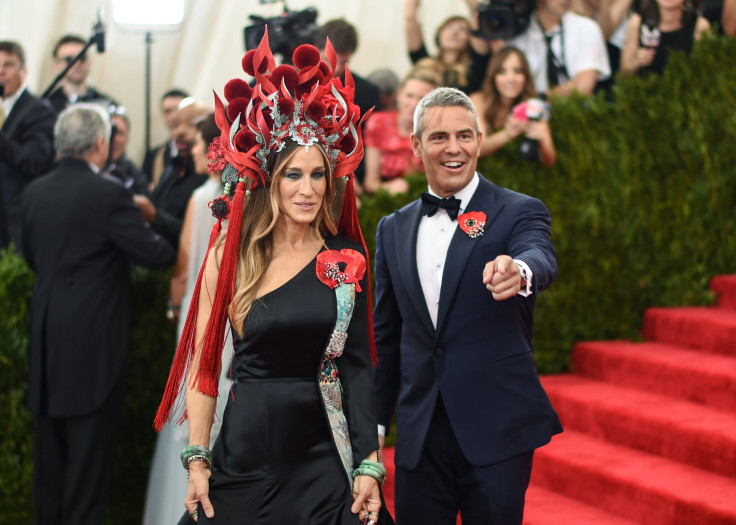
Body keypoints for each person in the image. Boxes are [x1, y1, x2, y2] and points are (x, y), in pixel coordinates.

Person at [153, 32, 393, 525]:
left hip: (325, 454)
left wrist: (370, 460)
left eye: (318, 175)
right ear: (269, 178)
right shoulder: (231, 255)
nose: (307, 190)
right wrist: (197, 458)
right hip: (245, 455)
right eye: (293, 174)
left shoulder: (346, 258)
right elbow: (203, 365)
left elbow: (357, 368)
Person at [372, 87, 562, 524]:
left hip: (497, 429)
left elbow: (539, 255)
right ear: (416, 146)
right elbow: (387, 336)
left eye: (464, 135)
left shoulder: (519, 211)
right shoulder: (392, 229)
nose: (453, 148)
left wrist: (520, 271)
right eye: (438, 137)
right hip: (420, 438)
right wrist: (375, 430)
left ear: (479, 139)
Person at [20, 103, 175, 525]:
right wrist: (155, 216)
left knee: (48, 468)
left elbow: (32, 258)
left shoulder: (33, 193)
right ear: (101, 144)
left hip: (48, 339)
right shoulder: (109, 194)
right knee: (88, 470)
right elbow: (157, 254)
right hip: (94, 346)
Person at [143, 113, 233, 525]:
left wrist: (172, 308)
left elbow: (182, 271)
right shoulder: (246, 197)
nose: (194, 150)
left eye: (201, 144)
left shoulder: (203, 199)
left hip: (200, 317)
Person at [0, 40, 56, 250]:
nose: (1, 71)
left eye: (8, 65)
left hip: (16, 221)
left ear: (24, 71)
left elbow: (35, 161)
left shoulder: (38, 110)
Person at [313, 19, 381, 189]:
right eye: (330, 60)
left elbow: (369, 142)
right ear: (316, 50)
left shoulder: (366, 91)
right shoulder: (297, 84)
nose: (336, 70)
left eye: (343, 63)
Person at [134, 98, 209, 250]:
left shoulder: (208, 177)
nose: (180, 131)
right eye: (176, 125)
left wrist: (154, 215)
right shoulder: (171, 169)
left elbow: (196, 234)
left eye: (191, 124)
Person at [470, 46, 556, 166]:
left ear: (525, 76)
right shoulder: (478, 100)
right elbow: (476, 150)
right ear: (493, 76)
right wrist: (507, 134)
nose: (511, 78)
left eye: (517, 71)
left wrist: (543, 140)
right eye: (502, 72)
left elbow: (550, 162)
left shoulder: (534, 104)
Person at [363, 66, 441, 195]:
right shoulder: (378, 123)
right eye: (409, 95)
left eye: (422, 99)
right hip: (383, 199)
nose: (413, 103)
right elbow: (370, 183)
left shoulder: (437, 133)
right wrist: (389, 188)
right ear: (399, 94)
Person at [508, 0, 611, 97]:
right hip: (525, 113)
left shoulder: (586, 27)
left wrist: (539, 99)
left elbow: (583, 86)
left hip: (574, 110)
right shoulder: (517, 35)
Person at [404, 0, 493, 94]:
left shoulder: (476, 67)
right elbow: (410, 19)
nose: (454, 32)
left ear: (470, 38)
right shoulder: (426, 64)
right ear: (439, 34)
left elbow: (478, 14)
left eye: (462, 29)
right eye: (449, 27)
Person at [620, 0, 710, 75]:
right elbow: (624, 73)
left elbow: (705, 72)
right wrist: (637, 61)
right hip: (645, 92)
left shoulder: (700, 26)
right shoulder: (637, 22)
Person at [47, 34, 117, 114]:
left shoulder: (107, 105)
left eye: (82, 58)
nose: (77, 64)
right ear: (56, 66)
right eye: (69, 60)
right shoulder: (47, 107)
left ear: (90, 62)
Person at [143, 88, 190, 188]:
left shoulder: (202, 152)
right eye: (168, 111)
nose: (174, 116)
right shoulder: (153, 156)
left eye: (178, 109)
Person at [105, 105, 150, 196]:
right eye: (112, 132)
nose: (115, 139)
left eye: (120, 133)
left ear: (127, 139)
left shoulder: (133, 174)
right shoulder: (90, 170)